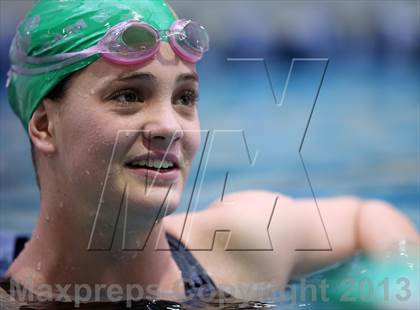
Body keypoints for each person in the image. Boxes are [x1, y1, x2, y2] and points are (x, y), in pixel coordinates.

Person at [1, 0, 419, 308]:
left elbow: (372, 218)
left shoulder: (243, 246)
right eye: (128, 96)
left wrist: (402, 282)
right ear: (44, 125)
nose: (170, 127)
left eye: (185, 97)